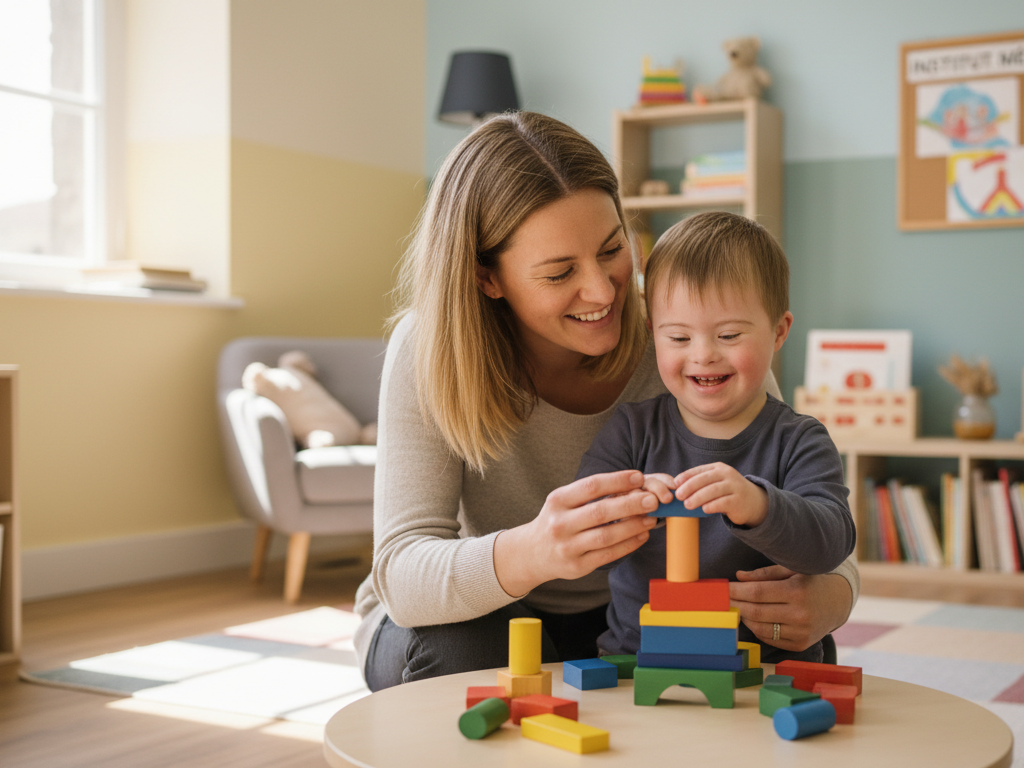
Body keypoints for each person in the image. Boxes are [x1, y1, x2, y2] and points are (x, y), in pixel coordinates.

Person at [353, 111, 859, 691]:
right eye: (559, 272)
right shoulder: (430, 347)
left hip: (631, 614)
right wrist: (535, 551)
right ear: (485, 278)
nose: (602, 291)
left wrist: (834, 594)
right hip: (482, 611)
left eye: (613, 248)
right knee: (469, 652)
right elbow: (402, 572)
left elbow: (803, 495)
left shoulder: (687, 333)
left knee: (785, 645)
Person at [577, 211, 854, 663]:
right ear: (653, 334)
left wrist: (758, 506)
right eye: (679, 337)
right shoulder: (631, 432)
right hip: (639, 660)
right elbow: (586, 546)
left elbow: (832, 543)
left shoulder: (799, 439)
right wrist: (629, 508)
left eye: (728, 335)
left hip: (768, 668)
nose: (703, 355)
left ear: (779, 331)